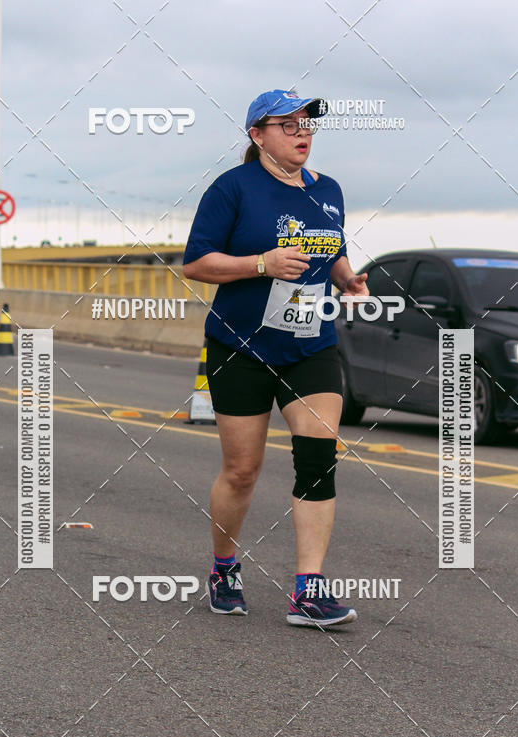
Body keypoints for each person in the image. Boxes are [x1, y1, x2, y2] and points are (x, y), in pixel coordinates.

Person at [182, 89, 369, 628]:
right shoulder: (232, 188)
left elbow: (330, 251)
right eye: (285, 124)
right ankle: (223, 567)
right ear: (257, 135)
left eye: (305, 122)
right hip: (239, 345)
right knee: (242, 471)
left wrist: (345, 278)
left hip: (309, 343)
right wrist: (261, 263)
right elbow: (196, 264)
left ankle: (308, 590)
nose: (300, 131)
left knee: (318, 456)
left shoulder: (328, 190)